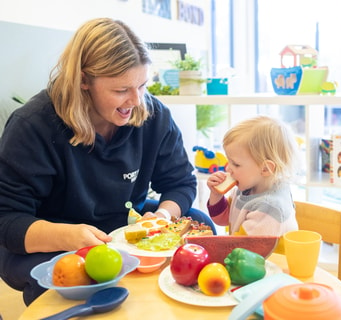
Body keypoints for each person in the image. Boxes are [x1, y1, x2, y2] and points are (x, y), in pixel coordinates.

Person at [0, 18, 215, 306]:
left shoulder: (153, 115)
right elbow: (7, 221)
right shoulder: (33, 125)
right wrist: (68, 236)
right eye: (121, 90)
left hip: (122, 226)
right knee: (82, 280)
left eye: (142, 85)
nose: (137, 100)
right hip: (53, 238)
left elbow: (179, 182)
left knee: (199, 223)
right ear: (83, 81)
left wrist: (163, 218)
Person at [206, 115, 300, 236]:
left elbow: (244, 250)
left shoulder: (268, 209)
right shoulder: (247, 187)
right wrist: (216, 195)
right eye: (228, 161)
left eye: (236, 164)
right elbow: (223, 219)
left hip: (259, 254)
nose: (228, 168)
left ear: (265, 169)